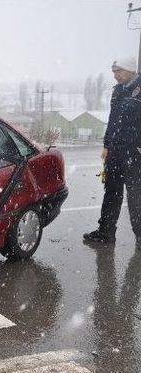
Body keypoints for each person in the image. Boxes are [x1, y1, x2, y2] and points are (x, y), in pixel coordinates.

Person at [83, 57, 141, 251]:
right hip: (115, 151)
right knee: (112, 192)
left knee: (135, 195)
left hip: (134, 152)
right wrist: (106, 145)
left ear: (131, 71)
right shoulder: (118, 91)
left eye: (119, 71)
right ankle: (106, 232)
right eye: (114, 71)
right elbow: (113, 120)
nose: (115, 75)